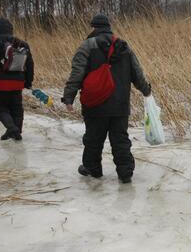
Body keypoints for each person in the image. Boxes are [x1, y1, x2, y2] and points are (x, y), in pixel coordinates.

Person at [62, 14, 151, 184]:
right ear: (109, 26)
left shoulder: (86, 46)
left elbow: (77, 73)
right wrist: (146, 91)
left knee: (94, 138)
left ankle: (92, 169)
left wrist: (68, 97)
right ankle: (125, 173)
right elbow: (137, 73)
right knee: (120, 139)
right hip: (120, 104)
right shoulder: (124, 46)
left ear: (93, 27)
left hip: (95, 103)